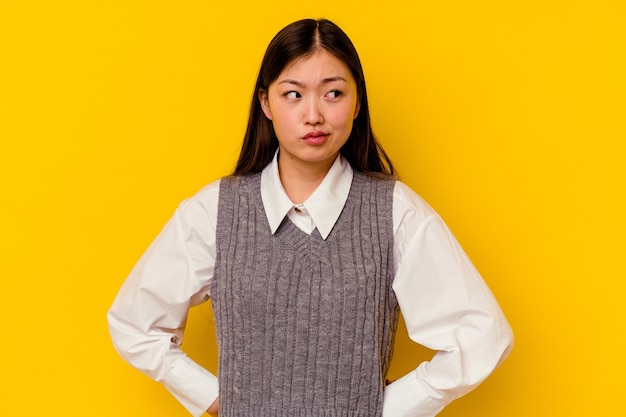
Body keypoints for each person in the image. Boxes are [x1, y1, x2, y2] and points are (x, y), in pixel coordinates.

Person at [108, 18, 513, 417]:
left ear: (357, 103)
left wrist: (389, 409)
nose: (314, 115)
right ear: (266, 102)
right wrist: (217, 400)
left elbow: (483, 335)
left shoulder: (393, 211)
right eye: (293, 94)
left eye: (333, 93)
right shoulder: (216, 210)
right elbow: (134, 323)